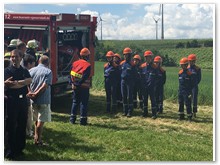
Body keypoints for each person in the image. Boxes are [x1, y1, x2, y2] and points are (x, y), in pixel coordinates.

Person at [4, 49, 32, 159]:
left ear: (21, 58)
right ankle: (10, 151)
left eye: (16, 56)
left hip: (23, 101)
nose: (14, 59)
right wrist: (22, 82)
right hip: (12, 101)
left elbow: (29, 80)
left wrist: (17, 82)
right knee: (11, 125)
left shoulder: (24, 70)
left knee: (22, 125)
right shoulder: (7, 71)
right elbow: (10, 86)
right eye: (12, 57)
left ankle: (20, 149)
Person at [27, 55, 52, 146]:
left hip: (33, 100)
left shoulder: (31, 70)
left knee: (36, 120)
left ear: (38, 61)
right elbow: (45, 86)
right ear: (47, 63)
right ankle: (38, 140)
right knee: (40, 122)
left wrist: (30, 92)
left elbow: (27, 83)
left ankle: (36, 138)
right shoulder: (48, 71)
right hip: (43, 100)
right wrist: (36, 93)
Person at [69, 48, 91, 125]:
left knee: (75, 102)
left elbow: (71, 74)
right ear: (87, 56)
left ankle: (72, 119)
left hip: (75, 87)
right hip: (84, 88)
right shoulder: (88, 65)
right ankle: (83, 120)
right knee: (83, 103)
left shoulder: (74, 63)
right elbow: (85, 77)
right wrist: (78, 84)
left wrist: (73, 83)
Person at [140, 50, 157, 119]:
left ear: (151, 58)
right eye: (146, 57)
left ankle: (154, 114)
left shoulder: (155, 67)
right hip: (144, 86)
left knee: (153, 100)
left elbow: (157, 78)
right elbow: (141, 76)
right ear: (145, 58)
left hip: (152, 87)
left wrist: (154, 85)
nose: (148, 59)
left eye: (149, 57)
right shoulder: (142, 66)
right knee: (145, 100)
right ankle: (145, 112)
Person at [120, 47, 136, 117]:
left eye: (126, 55)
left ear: (129, 55)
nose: (125, 56)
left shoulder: (132, 64)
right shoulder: (122, 63)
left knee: (129, 97)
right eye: (124, 55)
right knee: (124, 96)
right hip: (123, 81)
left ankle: (130, 111)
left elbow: (135, 74)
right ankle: (125, 111)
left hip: (130, 82)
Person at [23, 55, 36, 137]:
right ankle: (28, 131)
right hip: (26, 97)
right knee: (28, 115)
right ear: (29, 64)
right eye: (33, 64)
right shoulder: (27, 72)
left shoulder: (20, 70)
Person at [187, 54, 201, 118]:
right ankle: (189, 112)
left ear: (194, 61)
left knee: (194, 99)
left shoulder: (197, 69)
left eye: (192, 61)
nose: (191, 62)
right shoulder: (187, 68)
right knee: (188, 98)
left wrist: (195, 83)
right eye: (190, 61)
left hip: (194, 86)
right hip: (188, 86)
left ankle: (194, 112)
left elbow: (199, 78)